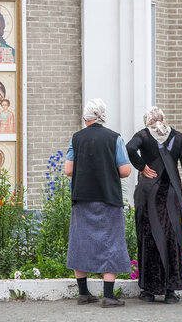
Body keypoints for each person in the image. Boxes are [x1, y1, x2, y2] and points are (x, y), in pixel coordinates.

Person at [64, 98, 132, 308]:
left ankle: (83, 293)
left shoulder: (76, 139)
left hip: (82, 198)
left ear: (86, 118)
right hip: (108, 198)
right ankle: (108, 296)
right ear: (102, 116)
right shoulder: (115, 138)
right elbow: (125, 170)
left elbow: (68, 170)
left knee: (80, 242)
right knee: (110, 243)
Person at [125, 106, 182, 304]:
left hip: (149, 194)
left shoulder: (144, 135)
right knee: (173, 237)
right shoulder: (177, 137)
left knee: (150, 236)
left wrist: (142, 167)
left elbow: (130, 148)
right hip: (172, 193)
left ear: (147, 120)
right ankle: (171, 291)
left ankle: (149, 290)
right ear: (163, 118)